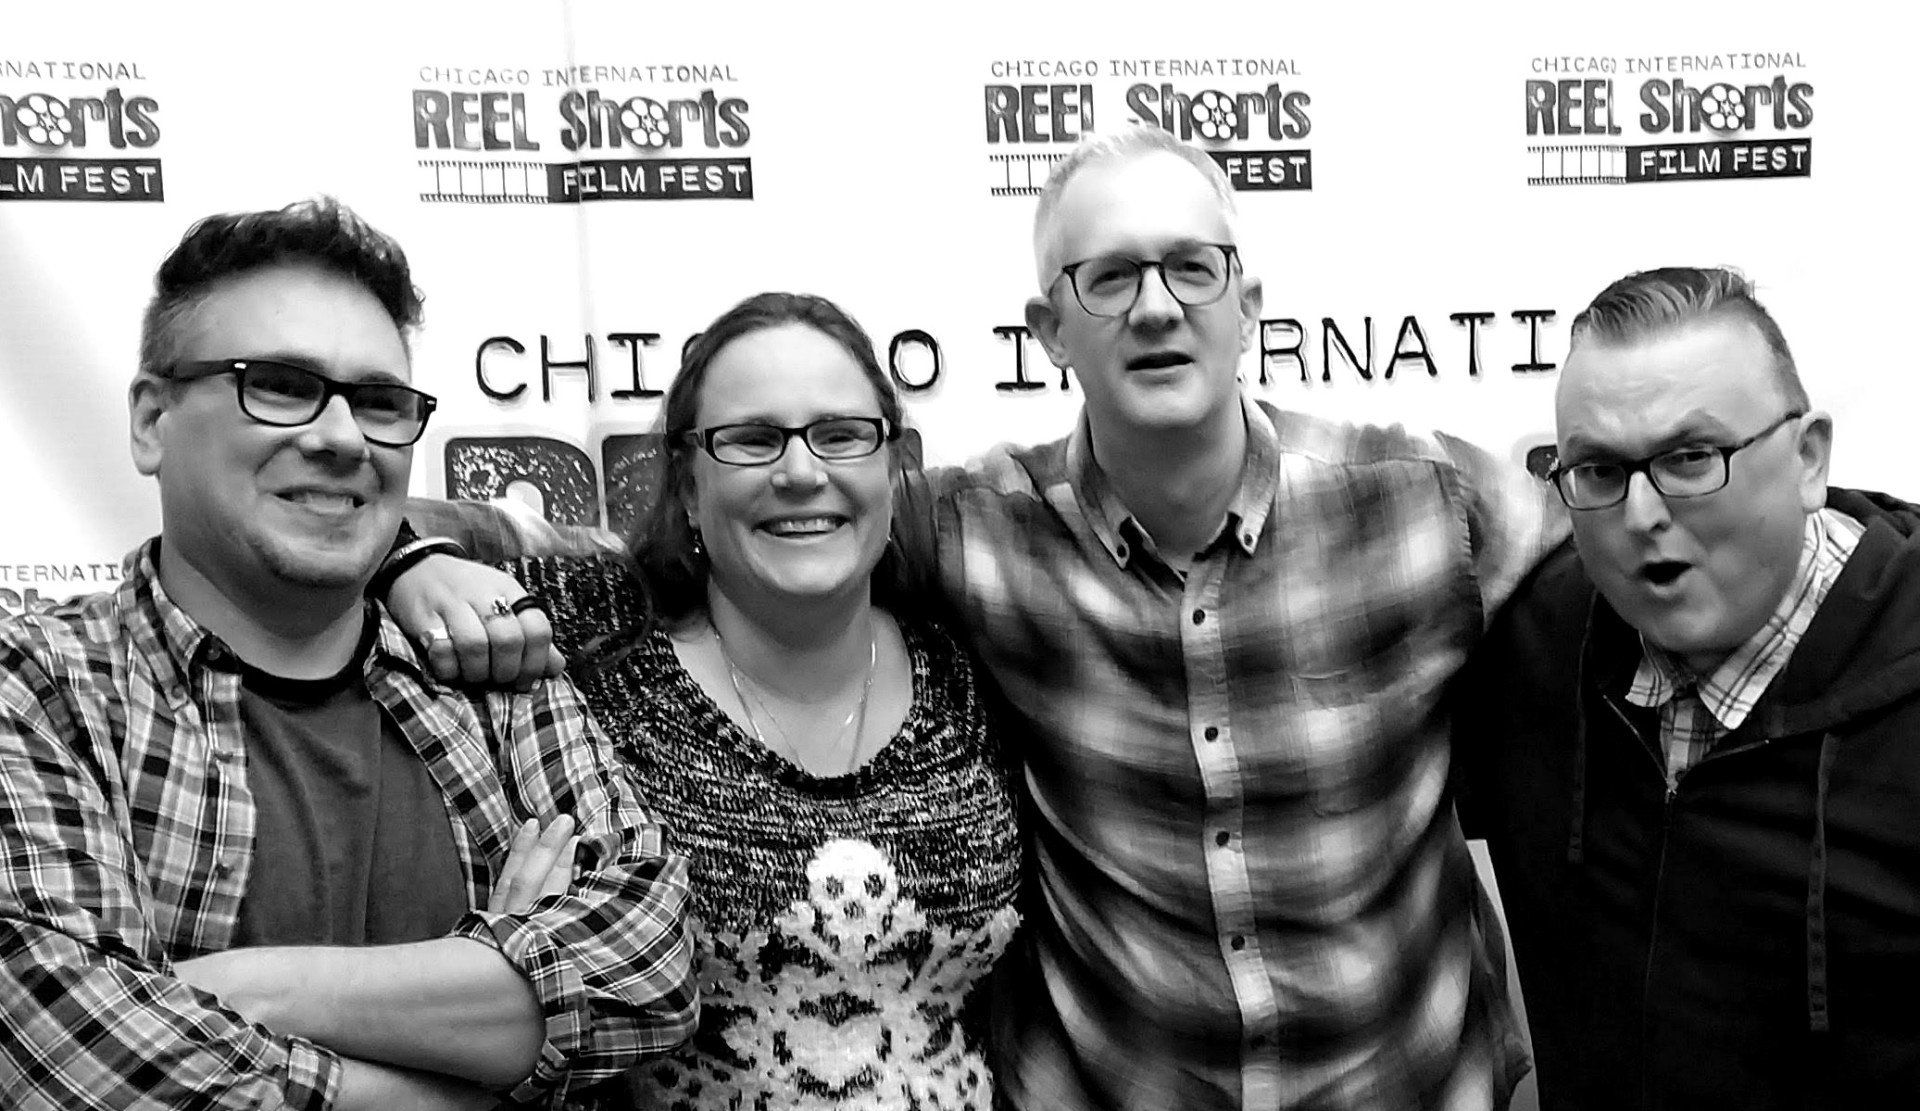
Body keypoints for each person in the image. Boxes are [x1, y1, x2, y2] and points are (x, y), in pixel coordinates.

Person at [390, 127, 1563, 1110]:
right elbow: (693, 539)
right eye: (1107, 278)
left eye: (1191, 268)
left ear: (1247, 299)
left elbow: (1632, 553)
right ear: (1048, 332)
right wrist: (417, 553)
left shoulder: (1428, 503)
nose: (1156, 307)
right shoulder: (970, 527)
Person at [0, 198, 697, 1111]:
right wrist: (476, 1040)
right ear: (151, 421)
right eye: (279, 384)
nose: (338, 438)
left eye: (377, 402)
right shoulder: (46, 686)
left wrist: (243, 989)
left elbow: (649, 968)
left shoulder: (494, 666)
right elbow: (77, 1061)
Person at [409, 291, 1022, 1110]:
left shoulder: (969, 648)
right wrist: (417, 565)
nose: (801, 472)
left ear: (895, 466)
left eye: (840, 435)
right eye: (751, 440)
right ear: (689, 489)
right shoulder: (598, 628)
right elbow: (346, 516)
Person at [1458, 267, 1920, 1108]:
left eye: (1691, 457)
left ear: (1809, 456)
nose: (1641, 513)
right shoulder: (1529, 648)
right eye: (1599, 471)